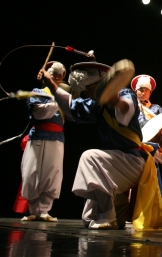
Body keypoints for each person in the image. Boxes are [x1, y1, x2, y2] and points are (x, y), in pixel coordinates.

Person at [41, 61, 153, 230]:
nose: (87, 93)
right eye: (85, 90)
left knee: (90, 157)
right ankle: (115, 212)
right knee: (88, 218)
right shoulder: (96, 104)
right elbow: (71, 107)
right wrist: (51, 84)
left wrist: (113, 98)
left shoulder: (124, 93)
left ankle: (108, 216)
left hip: (133, 161)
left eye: (90, 88)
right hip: (114, 164)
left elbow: (125, 110)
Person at [20, 61, 67, 222]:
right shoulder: (38, 92)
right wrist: (57, 99)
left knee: (52, 173)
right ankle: (33, 209)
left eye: (60, 75)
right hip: (38, 136)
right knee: (31, 172)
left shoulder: (63, 94)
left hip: (57, 139)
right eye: (53, 74)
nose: (57, 77)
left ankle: (45, 210)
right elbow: (39, 113)